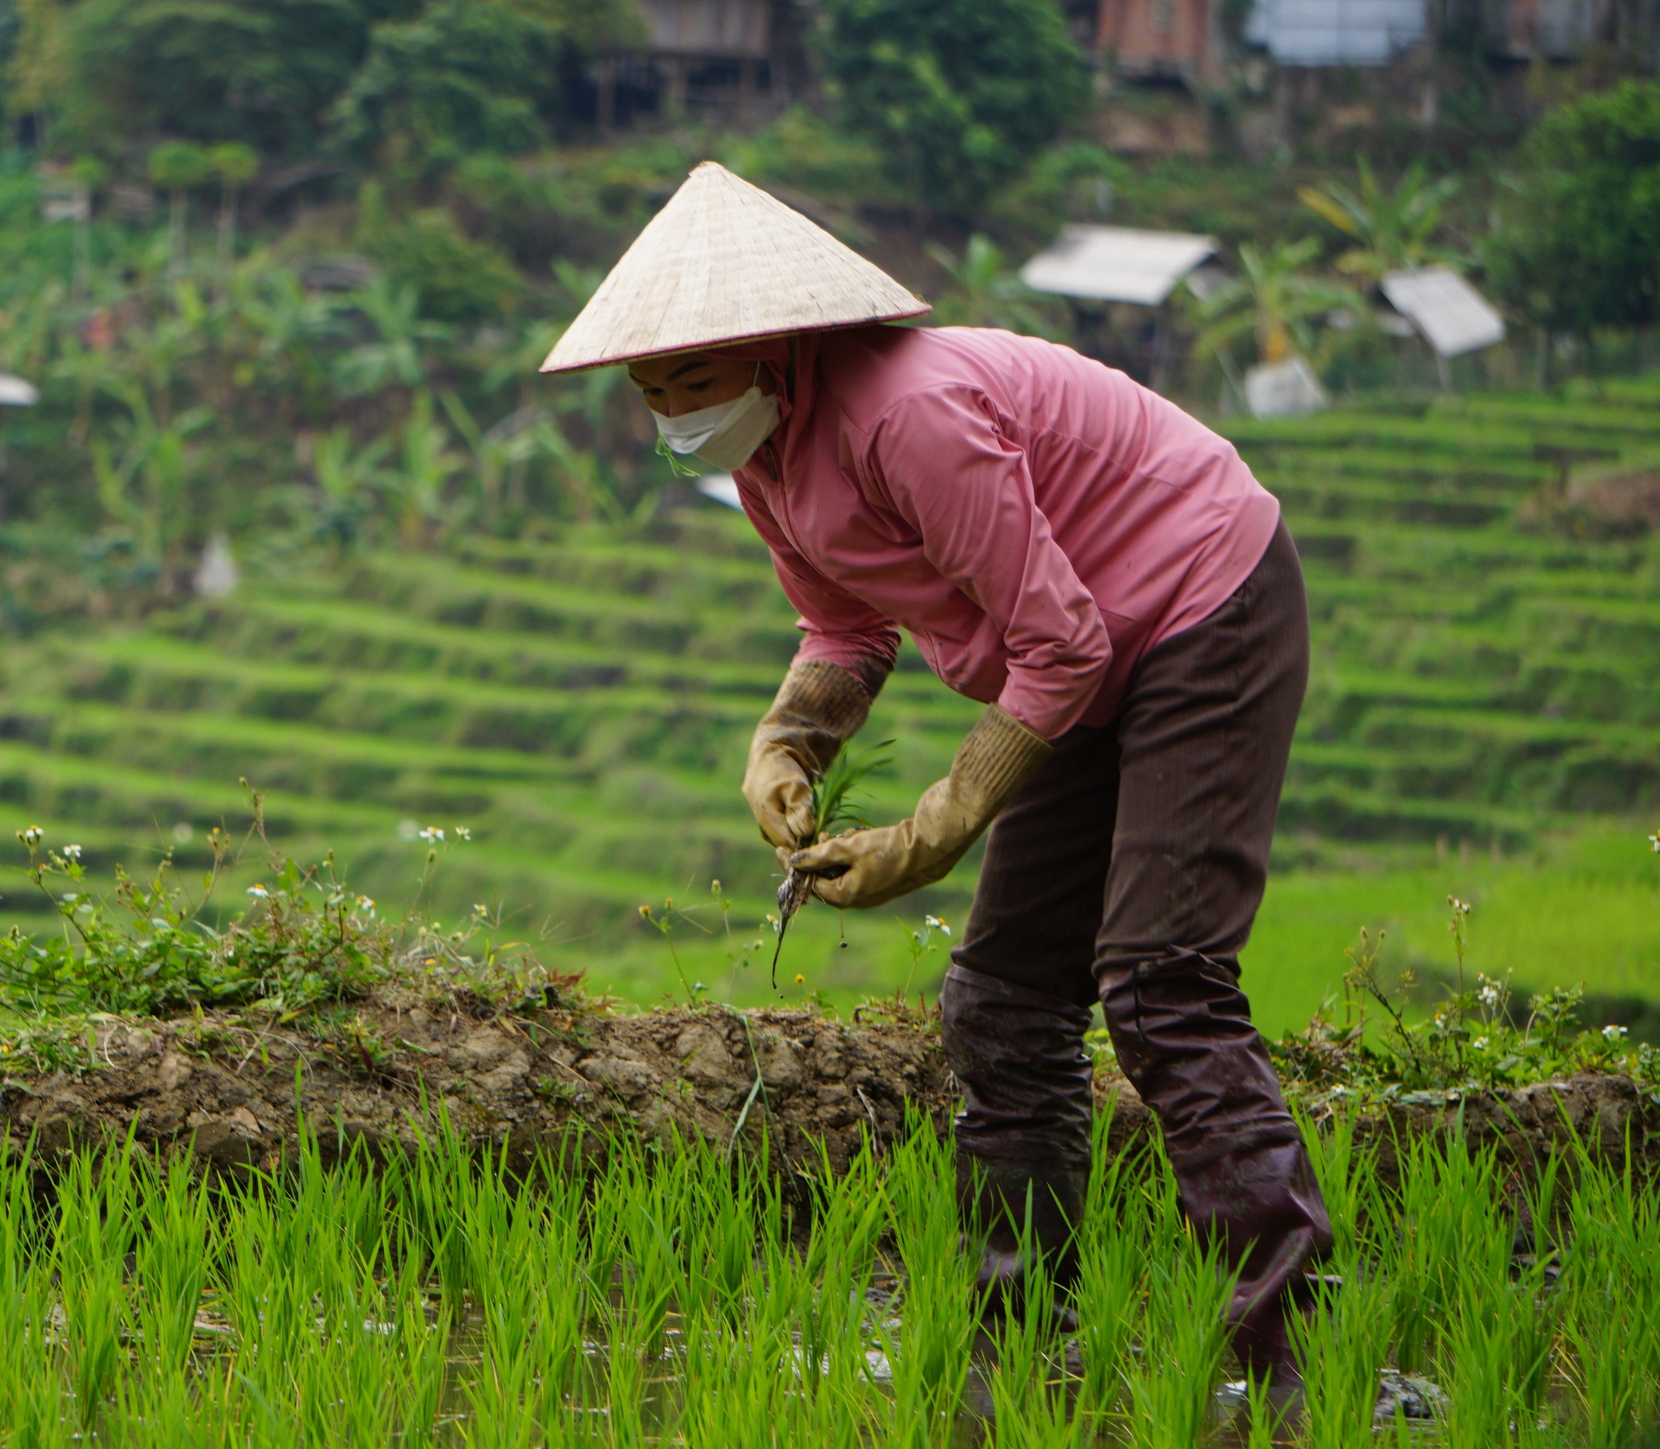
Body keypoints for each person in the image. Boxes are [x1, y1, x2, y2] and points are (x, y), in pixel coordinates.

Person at [541, 162, 1331, 1386]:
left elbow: (1061, 639)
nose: (669, 411)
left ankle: (1293, 1359)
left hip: (1195, 605)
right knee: (1004, 996)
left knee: (1160, 981)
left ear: (770, 348)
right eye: (650, 390)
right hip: (1073, 652)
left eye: (689, 380)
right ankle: (1016, 1349)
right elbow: (847, 633)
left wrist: (933, 829)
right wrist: (786, 747)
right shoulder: (765, 456)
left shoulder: (904, 412)